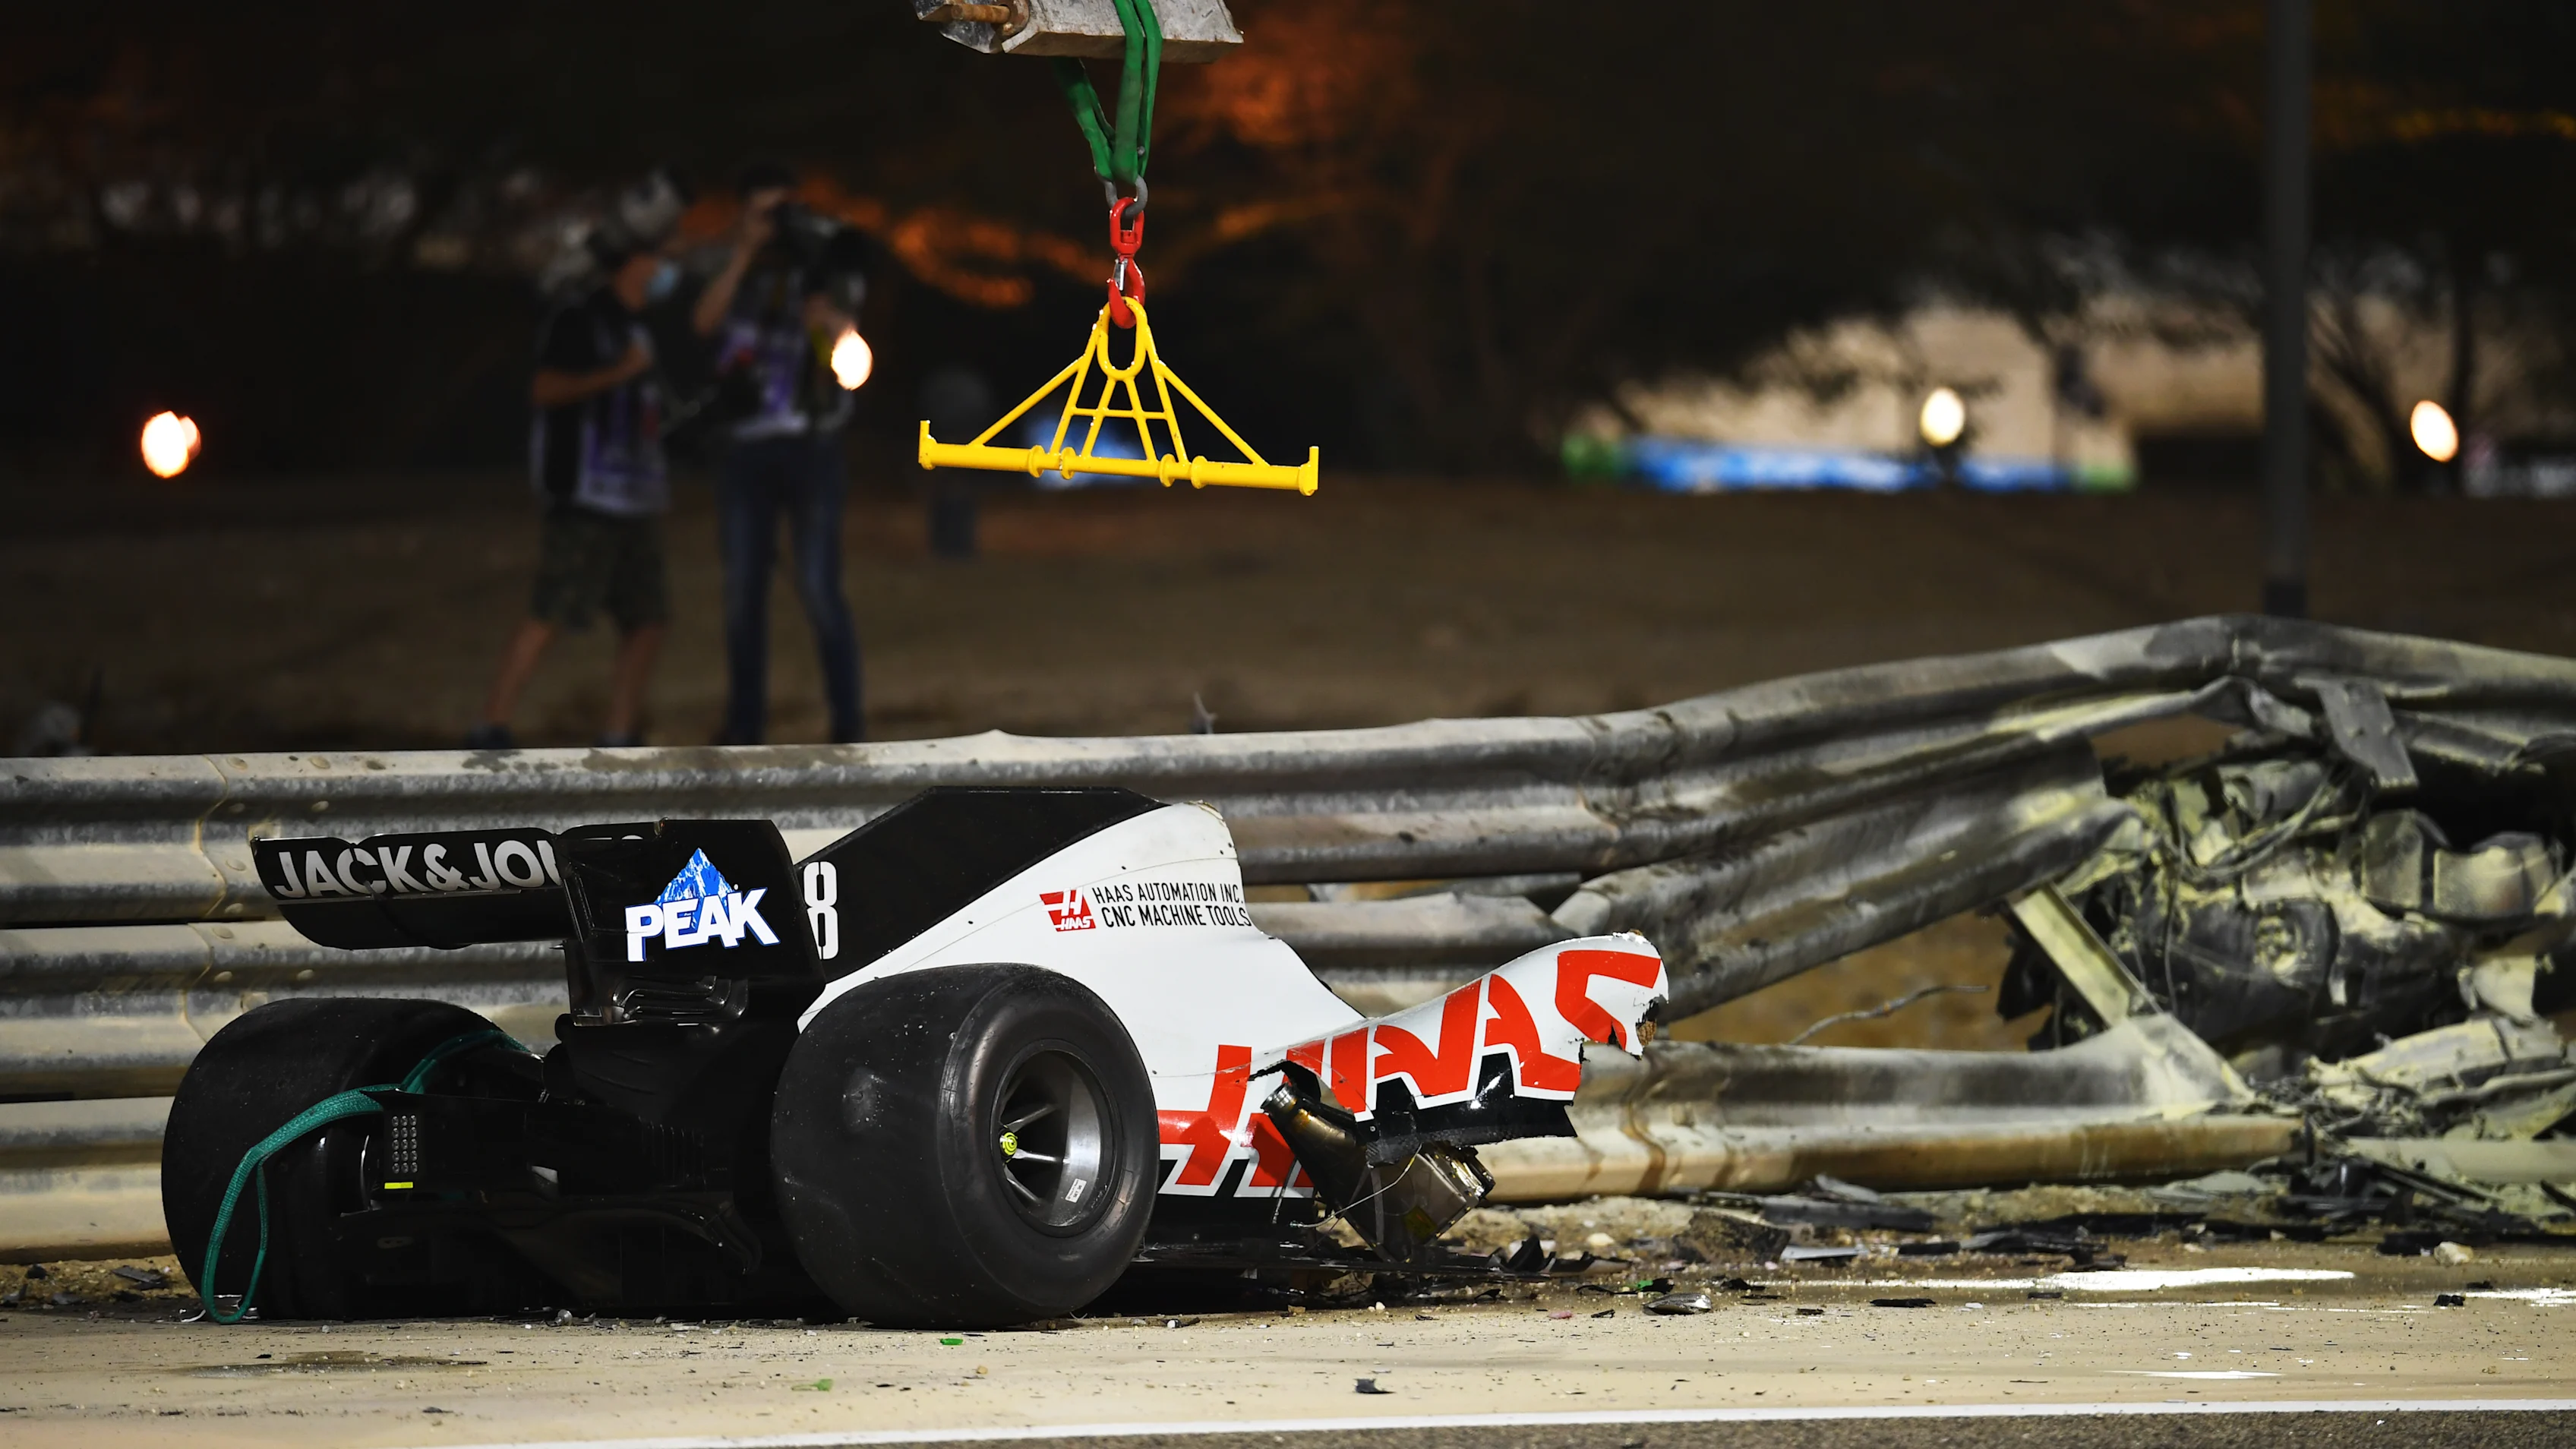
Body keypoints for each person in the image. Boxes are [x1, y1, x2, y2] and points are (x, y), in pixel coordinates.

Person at [467, 228, 677, 750]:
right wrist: (617, 373)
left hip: (637, 497)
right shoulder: (581, 319)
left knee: (647, 618)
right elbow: (545, 389)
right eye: (653, 258)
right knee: (552, 609)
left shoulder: (639, 328)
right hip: (586, 495)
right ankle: (491, 726)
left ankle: (619, 733)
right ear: (628, 262)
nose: (662, 270)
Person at [693, 165, 867, 744]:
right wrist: (744, 252)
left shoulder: (821, 266)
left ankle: (848, 723)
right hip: (744, 449)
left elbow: (850, 359)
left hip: (810, 444)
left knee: (820, 584)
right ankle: (745, 725)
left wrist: (831, 322)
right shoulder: (727, 265)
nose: (776, 225)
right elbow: (703, 323)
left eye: (783, 212)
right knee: (744, 588)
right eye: (764, 212)